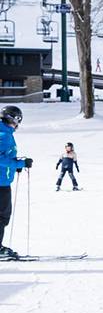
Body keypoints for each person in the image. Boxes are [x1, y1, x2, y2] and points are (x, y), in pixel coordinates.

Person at [0, 105, 34, 259]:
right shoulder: (3, 134)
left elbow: (6, 156)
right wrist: (19, 164)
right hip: (0, 183)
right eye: (17, 119)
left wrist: (16, 164)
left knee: (3, 215)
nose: (18, 123)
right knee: (2, 216)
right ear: (11, 118)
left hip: (3, 181)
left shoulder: (6, 132)